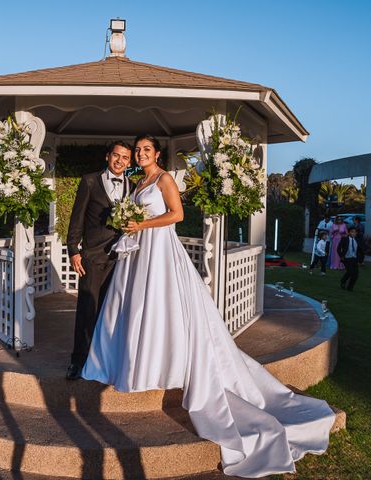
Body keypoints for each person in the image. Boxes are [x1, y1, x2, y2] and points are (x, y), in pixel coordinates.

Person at [81, 134, 335, 478]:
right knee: (132, 306)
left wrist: (141, 224)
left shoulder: (164, 178)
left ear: (157, 153)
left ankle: (164, 360)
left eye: (146, 150)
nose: (140, 154)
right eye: (137, 150)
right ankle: (132, 360)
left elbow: (176, 214)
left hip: (160, 250)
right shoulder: (137, 182)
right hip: (138, 252)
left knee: (160, 307)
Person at [65, 141, 132, 380]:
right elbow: (77, 218)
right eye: (116, 155)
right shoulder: (90, 181)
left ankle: (104, 360)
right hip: (92, 257)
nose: (119, 161)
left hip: (121, 259)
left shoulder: (133, 186)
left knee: (112, 312)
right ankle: (78, 361)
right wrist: (73, 250)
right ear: (107, 156)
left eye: (125, 157)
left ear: (129, 162)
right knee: (87, 309)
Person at [338, 226, 364, 292]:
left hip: (354, 259)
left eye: (355, 232)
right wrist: (341, 256)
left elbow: (361, 251)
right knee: (350, 272)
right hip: (346, 258)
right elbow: (338, 248)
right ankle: (343, 281)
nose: (354, 233)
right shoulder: (345, 239)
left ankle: (350, 287)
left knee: (355, 275)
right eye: (352, 232)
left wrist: (361, 260)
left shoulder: (357, 240)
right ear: (349, 232)